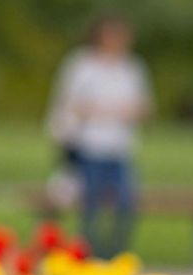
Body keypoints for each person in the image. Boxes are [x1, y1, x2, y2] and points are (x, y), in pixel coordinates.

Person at [45, 17, 153, 258]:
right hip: (88, 147)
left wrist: (114, 110)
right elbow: (70, 104)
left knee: (126, 202)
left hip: (120, 148)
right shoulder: (82, 65)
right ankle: (88, 251)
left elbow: (143, 106)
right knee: (90, 203)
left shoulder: (131, 68)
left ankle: (116, 252)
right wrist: (106, 110)